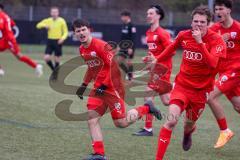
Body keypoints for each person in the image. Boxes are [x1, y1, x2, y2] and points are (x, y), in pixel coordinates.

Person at [72, 19, 162, 160]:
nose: (81, 33)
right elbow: (92, 67)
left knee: (121, 123)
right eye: (78, 31)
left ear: (89, 29)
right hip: (98, 89)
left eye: (83, 29)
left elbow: (113, 67)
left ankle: (146, 108)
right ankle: (99, 154)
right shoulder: (82, 49)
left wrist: (104, 84)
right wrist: (83, 84)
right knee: (91, 118)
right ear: (75, 34)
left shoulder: (101, 46)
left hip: (113, 87)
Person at [151, 6, 226, 160]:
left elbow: (212, 64)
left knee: (188, 124)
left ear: (208, 23)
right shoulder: (184, 35)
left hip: (200, 92)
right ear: (191, 22)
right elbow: (171, 49)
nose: (198, 25)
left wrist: (200, 43)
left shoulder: (216, 40)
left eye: (202, 22)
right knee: (171, 121)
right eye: (195, 21)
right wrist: (156, 60)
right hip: (182, 87)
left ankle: (188, 133)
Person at [133, 5, 173, 136]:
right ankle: (180, 92)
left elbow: (171, 52)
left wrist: (157, 58)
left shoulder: (163, 33)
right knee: (166, 101)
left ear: (158, 16)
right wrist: (149, 58)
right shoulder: (149, 32)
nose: (148, 15)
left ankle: (148, 129)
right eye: (147, 13)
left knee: (148, 96)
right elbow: (153, 52)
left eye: (151, 13)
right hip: (155, 69)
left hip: (163, 69)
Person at [208, 0, 240, 149]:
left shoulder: (238, 28)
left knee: (210, 96)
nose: (218, 12)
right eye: (216, 9)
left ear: (229, 11)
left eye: (221, 9)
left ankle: (224, 131)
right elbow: (207, 46)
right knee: (238, 106)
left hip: (235, 71)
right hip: (223, 72)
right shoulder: (215, 29)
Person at [0, 3, 43, 77]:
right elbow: (13, 24)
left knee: (19, 56)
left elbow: (1, 26)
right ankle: (36, 66)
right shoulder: (6, 16)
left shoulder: (1, 16)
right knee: (19, 56)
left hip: (9, 40)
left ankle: (36, 66)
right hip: (6, 39)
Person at [36, 6, 68, 80]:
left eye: (55, 12)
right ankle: (54, 70)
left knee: (57, 59)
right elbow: (38, 25)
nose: (54, 13)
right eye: (52, 12)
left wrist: (62, 38)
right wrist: (45, 26)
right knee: (46, 58)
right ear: (50, 13)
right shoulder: (48, 20)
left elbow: (66, 32)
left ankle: (55, 75)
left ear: (58, 13)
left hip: (58, 41)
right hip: (50, 41)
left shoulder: (62, 21)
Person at [117, 11, 136, 81]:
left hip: (130, 47)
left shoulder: (132, 26)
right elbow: (122, 37)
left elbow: (133, 37)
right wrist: (119, 45)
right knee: (119, 61)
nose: (121, 18)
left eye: (123, 16)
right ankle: (128, 73)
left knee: (129, 62)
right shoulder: (123, 25)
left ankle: (130, 77)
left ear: (127, 17)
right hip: (123, 46)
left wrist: (131, 48)